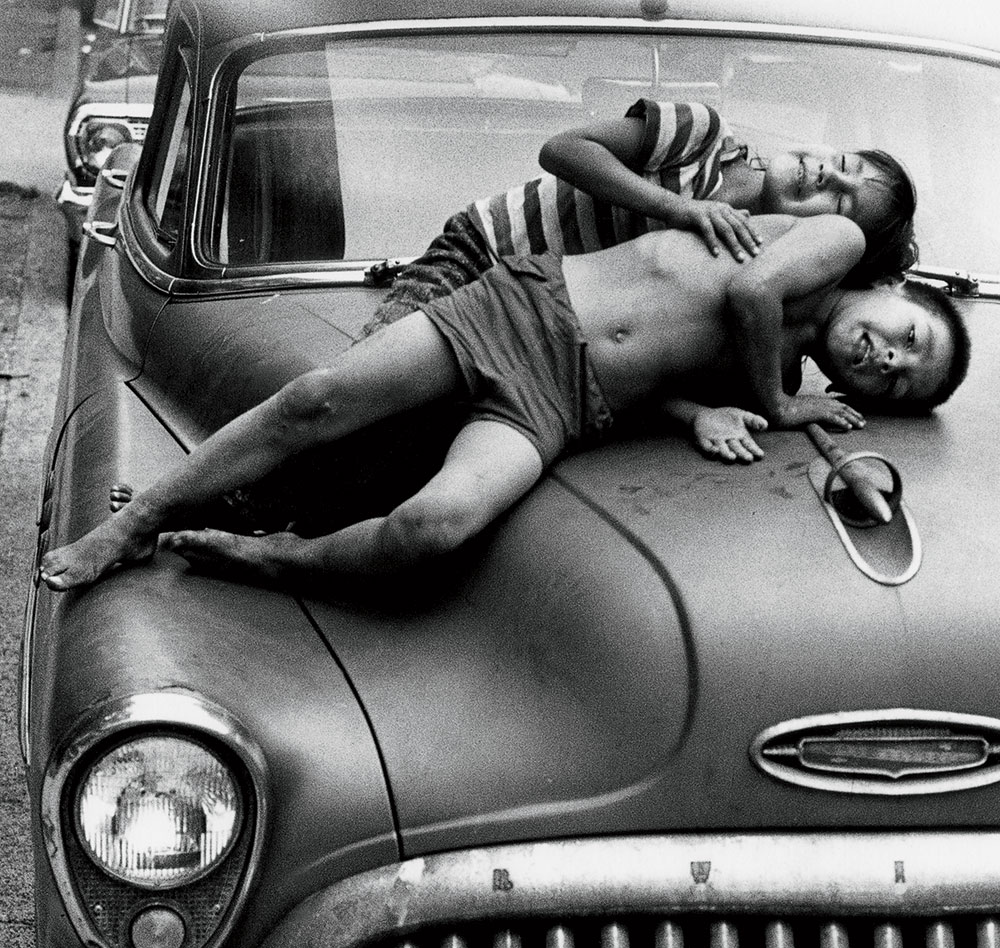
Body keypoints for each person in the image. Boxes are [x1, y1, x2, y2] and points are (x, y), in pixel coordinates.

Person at [39, 212, 968, 597]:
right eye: (907, 338)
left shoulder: (787, 376)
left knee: (435, 527)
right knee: (318, 399)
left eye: (894, 381)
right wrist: (777, 401)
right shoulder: (835, 240)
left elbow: (656, 386)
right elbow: (749, 293)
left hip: (562, 404)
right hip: (521, 309)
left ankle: (285, 562)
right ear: (895, 287)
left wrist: (708, 414)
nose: (885, 358)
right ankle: (143, 520)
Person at [363, 99, 918, 336]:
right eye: (844, 163)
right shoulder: (703, 133)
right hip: (485, 251)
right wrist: (680, 208)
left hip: (535, 320)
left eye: (842, 204)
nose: (829, 176)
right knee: (367, 370)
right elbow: (562, 149)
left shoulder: (753, 267)